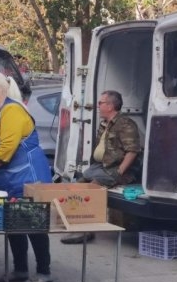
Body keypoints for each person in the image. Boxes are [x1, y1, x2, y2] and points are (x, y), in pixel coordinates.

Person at [0, 72, 53, 282]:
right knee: (12, 222)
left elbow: (7, 148)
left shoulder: (12, 110)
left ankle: (44, 271)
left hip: (27, 176)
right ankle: (20, 269)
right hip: (7, 178)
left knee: (33, 223)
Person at [61, 90, 142, 244]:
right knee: (76, 187)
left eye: (101, 103)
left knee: (91, 190)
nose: (97, 106)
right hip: (101, 166)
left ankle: (87, 231)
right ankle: (75, 225)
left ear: (110, 106)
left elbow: (132, 151)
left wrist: (119, 172)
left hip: (117, 169)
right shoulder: (105, 124)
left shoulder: (125, 124)